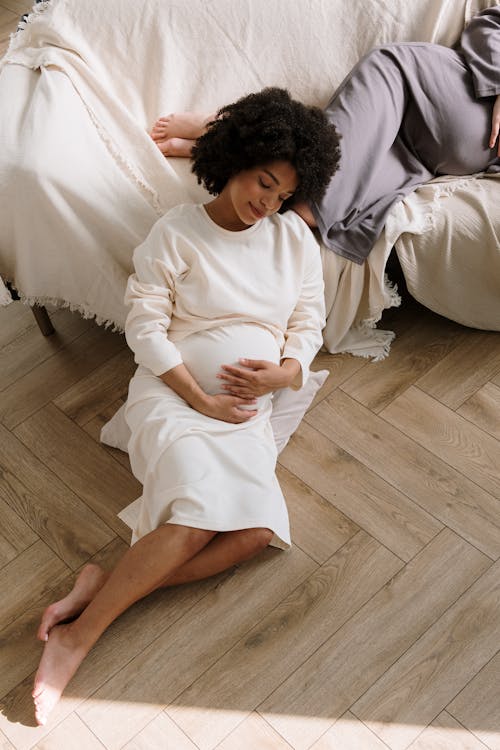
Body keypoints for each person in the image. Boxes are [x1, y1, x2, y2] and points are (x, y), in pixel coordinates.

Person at [31, 87, 340, 726]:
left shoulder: (294, 243)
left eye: (283, 195)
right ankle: (76, 640)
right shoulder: (175, 234)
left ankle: (99, 592)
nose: (268, 203)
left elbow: (309, 324)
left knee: (256, 532)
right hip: (174, 397)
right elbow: (145, 329)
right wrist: (200, 397)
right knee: (199, 521)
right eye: (262, 182)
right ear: (234, 158)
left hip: (247, 408)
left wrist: (283, 374)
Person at [151, 5, 500, 264]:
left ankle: (228, 131)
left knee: (387, 68)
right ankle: (230, 139)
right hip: (440, 116)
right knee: (323, 188)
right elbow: (488, 22)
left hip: (455, 132)